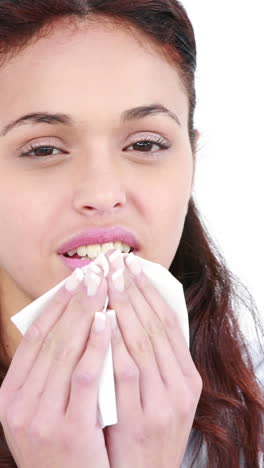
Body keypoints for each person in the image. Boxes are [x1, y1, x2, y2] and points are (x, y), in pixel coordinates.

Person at [0, 0, 263, 466]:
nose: (103, 194)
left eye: (145, 144)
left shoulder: (253, 405)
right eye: (42, 150)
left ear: (192, 160)